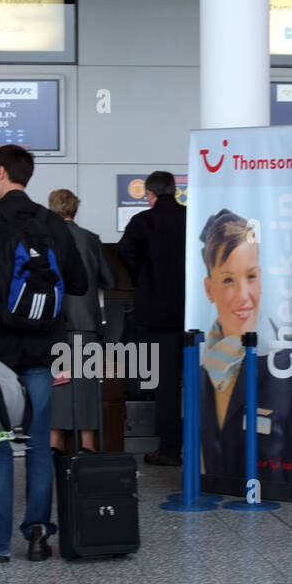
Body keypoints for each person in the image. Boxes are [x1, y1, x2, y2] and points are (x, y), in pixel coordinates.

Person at [0, 145, 88, 563]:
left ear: (0, 172)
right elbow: (80, 283)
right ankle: (37, 535)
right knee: (37, 444)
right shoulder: (51, 221)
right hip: (42, 348)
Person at [197, 209, 292, 481]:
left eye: (251, 276)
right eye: (228, 280)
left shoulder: (276, 356)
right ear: (209, 288)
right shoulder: (206, 363)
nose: (244, 296)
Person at [117, 171, 186, 466]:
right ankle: (208, 446)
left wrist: (143, 279)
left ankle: (170, 449)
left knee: (167, 385)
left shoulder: (144, 222)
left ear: (150, 195)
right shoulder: (192, 218)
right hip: (196, 313)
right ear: (174, 191)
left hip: (160, 317)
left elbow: (124, 251)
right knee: (204, 382)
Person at [47, 188, 114, 453]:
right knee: (85, 388)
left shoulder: (45, 240)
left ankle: (55, 446)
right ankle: (87, 448)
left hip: (53, 326)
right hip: (86, 324)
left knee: (58, 387)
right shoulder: (90, 239)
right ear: (75, 210)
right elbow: (109, 280)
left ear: (52, 210)